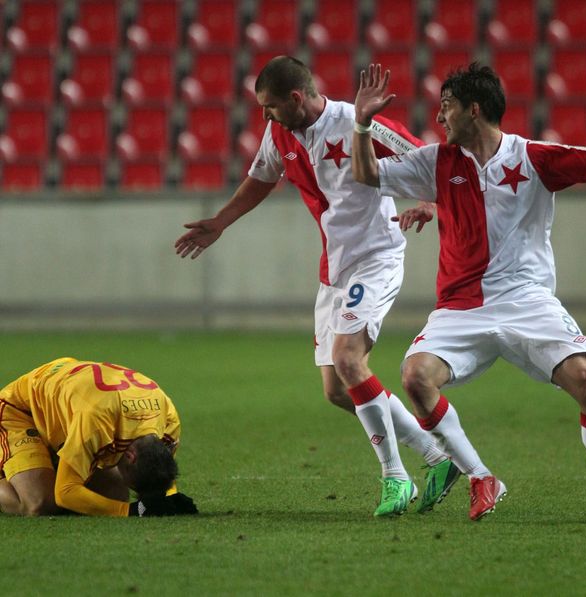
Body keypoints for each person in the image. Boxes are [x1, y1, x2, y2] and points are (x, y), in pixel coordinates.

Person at [351, 49, 586, 523]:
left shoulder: (531, 157)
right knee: (414, 377)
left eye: (446, 103)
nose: (438, 114)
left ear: (473, 109)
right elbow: (366, 174)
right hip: (460, 309)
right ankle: (479, 476)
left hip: (526, 300)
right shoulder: (435, 161)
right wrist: (363, 125)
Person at [175, 55, 460, 517]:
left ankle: (396, 477)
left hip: (376, 257)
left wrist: (429, 202)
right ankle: (437, 458)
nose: (264, 115)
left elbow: (427, 161)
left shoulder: (355, 122)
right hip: (336, 267)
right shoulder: (279, 133)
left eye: (269, 106)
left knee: (350, 360)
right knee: (336, 388)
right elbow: (259, 180)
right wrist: (220, 223)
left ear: (295, 98)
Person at [0, 357, 198, 517]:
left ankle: (44, 461)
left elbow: (160, 463)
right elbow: (65, 492)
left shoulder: (168, 424)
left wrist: (170, 495)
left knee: (114, 496)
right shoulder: (95, 425)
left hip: (67, 404)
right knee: (41, 502)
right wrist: (131, 510)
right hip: (21, 410)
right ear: (130, 456)